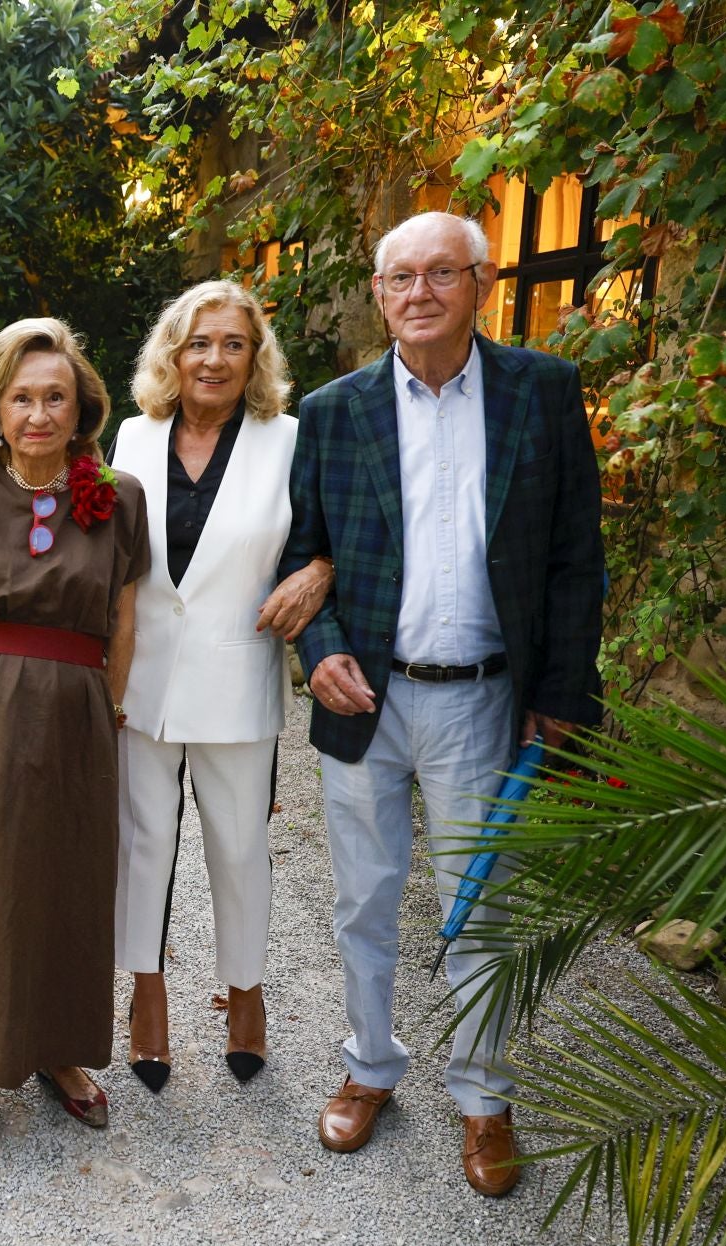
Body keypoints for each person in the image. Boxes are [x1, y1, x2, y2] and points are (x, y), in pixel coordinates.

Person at [281, 211, 604, 1196]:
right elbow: (303, 556)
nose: (418, 293)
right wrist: (320, 649)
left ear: (482, 282)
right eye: (398, 278)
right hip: (366, 694)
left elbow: (574, 556)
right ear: (378, 294)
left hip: (485, 698)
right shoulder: (335, 411)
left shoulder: (541, 392)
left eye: (439, 274)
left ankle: (484, 1096)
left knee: (484, 909)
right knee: (364, 899)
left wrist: (559, 694)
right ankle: (369, 1066)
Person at [0, 318, 149, 1157]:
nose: (40, 413)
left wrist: (100, 713)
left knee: (65, 888)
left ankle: (57, 1053)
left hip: (75, 721)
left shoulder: (119, 497)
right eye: (22, 398)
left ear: (82, 407)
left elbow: (123, 619)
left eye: (56, 397)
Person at [109, 281, 333, 1092]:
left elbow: (326, 536)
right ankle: (146, 993)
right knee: (142, 844)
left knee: (240, 848)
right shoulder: (132, 436)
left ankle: (246, 994)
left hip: (239, 676)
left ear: (255, 356)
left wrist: (318, 570)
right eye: (199, 343)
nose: (214, 359)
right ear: (173, 351)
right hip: (142, 677)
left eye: (233, 344)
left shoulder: (289, 441)